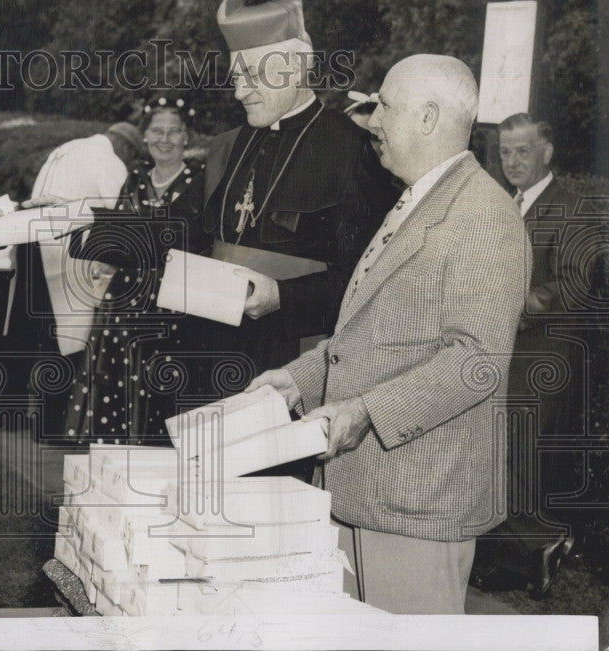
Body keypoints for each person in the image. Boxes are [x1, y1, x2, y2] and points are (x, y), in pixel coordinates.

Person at [247, 54, 529, 614]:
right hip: (367, 493)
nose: (371, 120)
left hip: (418, 502)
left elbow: (477, 361)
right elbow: (371, 334)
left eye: (385, 107)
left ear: (427, 118)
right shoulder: (416, 198)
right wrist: (295, 380)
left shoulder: (483, 216)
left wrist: (366, 413)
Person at [199, 0, 396, 382]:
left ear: (295, 66)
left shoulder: (352, 151)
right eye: (235, 76)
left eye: (252, 75)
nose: (238, 92)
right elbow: (175, 228)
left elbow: (375, 283)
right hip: (216, 361)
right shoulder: (230, 144)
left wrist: (284, 297)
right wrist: (87, 218)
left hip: (297, 371)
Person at [472, 113, 585, 598]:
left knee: (519, 456)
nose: (513, 162)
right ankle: (512, 557)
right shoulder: (502, 205)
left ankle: (534, 554)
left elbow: (576, 285)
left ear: (547, 152)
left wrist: (513, 303)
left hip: (544, 354)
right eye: (505, 153)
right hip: (503, 351)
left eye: (523, 151)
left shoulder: (572, 208)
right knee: (498, 452)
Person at [65, 95, 206, 444]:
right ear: (144, 136)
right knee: (118, 393)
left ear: (187, 136)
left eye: (174, 131)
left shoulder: (200, 182)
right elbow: (115, 237)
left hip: (175, 307)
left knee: (162, 396)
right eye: (157, 131)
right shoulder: (134, 179)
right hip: (124, 307)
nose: (165, 139)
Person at [0, 121, 143, 438]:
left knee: (24, 330)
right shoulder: (110, 160)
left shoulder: (69, 148)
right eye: (134, 159)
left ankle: (9, 413)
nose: (133, 166)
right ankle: (52, 426)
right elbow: (121, 209)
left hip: (32, 241)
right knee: (65, 339)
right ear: (127, 148)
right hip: (64, 250)